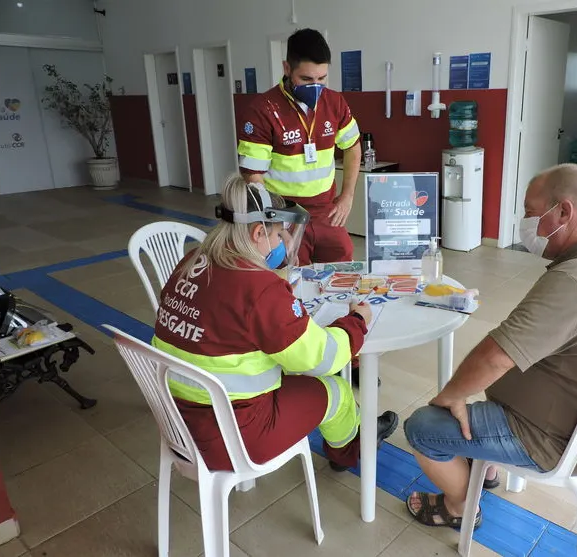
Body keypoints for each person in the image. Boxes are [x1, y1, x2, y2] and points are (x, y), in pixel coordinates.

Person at [402, 163, 577, 529]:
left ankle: (459, 508)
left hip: (550, 437)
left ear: (564, 212)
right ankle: (483, 470)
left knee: (423, 427)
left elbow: (495, 356)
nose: (524, 223)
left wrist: (450, 396)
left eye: (531, 213)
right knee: (474, 397)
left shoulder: (575, 280)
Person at [151, 176, 398, 473]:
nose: (283, 242)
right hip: (233, 436)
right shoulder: (258, 288)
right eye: (280, 234)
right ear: (258, 232)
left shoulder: (191, 261)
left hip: (177, 421)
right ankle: (348, 452)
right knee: (337, 390)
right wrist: (356, 321)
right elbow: (323, 358)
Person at [237, 27, 362, 267]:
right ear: (287, 69)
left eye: (322, 78)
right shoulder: (262, 110)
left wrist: (347, 196)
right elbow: (253, 177)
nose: (315, 86)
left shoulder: (334, 102)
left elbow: (353, 147)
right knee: (292, 280)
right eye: (306, 79)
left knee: (343, 270)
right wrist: (272, 222)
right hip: (285, 213)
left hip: (326, 211)